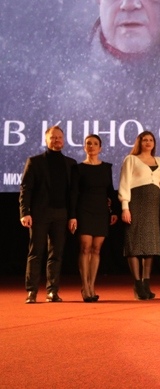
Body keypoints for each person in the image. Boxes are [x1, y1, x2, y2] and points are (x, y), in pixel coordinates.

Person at [19, 126, 77, 303]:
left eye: (59, 137)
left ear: (63, 140)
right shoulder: (34, 162)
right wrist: (25, 212)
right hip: (39, 214)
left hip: (61, 214)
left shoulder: (71, 164)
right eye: (53, 137)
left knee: (56, 254)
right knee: (36, 252)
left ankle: (52, 291)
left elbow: (73, 193)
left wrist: (72, 216)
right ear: (46, 140)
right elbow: (26, 189)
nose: (56, 140)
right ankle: (32, 291)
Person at [71, 134, 118, 302]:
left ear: (100, 148)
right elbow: (74, 193)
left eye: (95, 144)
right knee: (85, 247)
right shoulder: (78, 168)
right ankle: (85, 287)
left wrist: (113, 211)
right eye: (88, 143)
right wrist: (73, 216)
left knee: (96, 249)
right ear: (85, 147)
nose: (91, 146)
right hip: (84, 209)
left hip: (101, 211)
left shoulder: (106, 167)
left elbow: (110, 191)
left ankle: (92, 286)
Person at [118, 130, 160, 301]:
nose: (148, 142)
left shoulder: (159, 161)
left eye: (151, 140)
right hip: (136, 203)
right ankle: (137, 283)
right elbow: (124, 183)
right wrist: (125, 207)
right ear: (139, 142)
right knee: (135, 243)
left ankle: (146, 283)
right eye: (145, 140)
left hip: (153, 206)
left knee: (150, 245)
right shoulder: (131, 159)